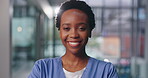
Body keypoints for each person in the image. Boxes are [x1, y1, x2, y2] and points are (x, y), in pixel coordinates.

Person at [28, 0, 119, 78]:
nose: (74, 35)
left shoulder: (106, 71)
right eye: (67, 28)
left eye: (81, 28)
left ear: (90, 31)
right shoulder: (42, 69)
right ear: (60, 32)